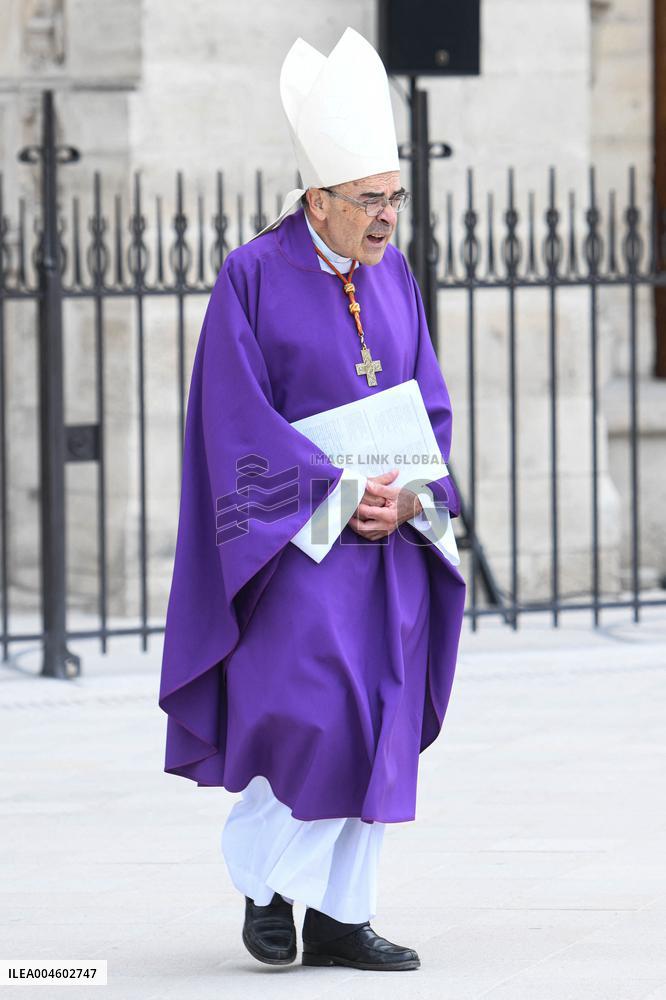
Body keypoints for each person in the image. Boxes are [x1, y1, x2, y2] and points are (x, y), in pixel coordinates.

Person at [158, 26, 466, 973]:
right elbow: (232, 421)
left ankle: (340, 915)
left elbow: (427, 399)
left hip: (389, 545)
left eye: (395, 198)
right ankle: (265, 882)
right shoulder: (251, 275)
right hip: (297, 546)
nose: (387, 219)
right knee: (310, 714)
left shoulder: (396, 273)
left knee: (378, 718)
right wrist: (334, 496)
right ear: (318, 199)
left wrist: (411, 499)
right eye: (370, 200)